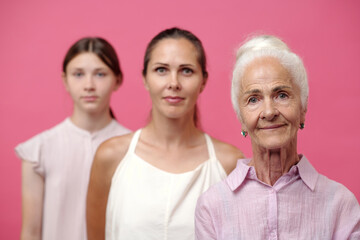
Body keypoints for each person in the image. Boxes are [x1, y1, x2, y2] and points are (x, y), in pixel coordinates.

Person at [195, 35, 360, 239]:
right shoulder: (212, 206)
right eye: (253, 99)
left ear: (303, 108)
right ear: (241, 117)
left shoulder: (340, 204)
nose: (269, 111)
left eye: (281, 95)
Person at [86, 27, 244, 240]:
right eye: (161, 70)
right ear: (144, 78)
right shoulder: (111, 156)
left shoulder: (230, 163)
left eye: (186, 70)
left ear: (203, 81)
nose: (173, 83)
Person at [15, 37, 130, 240]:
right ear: (65, 80)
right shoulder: (39, 150)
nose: (89, 85)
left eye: (100, 74)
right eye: (78, 74)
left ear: (118, 80)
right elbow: (31, 232)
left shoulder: (135, 147)